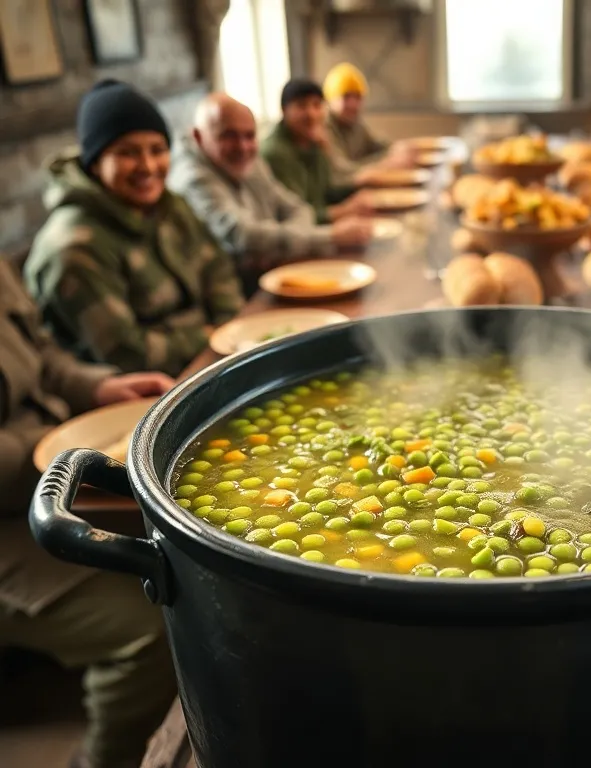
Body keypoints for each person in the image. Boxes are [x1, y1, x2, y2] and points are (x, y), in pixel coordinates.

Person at [0, 259, 178, 768]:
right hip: (12, 515)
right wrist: (55, 447)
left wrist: (97, 389)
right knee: (154, 624)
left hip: (50, 476)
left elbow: (43, 354)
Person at [23, 80, 244, 378]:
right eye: (127, 153)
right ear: (95, 164)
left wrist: (231, 327)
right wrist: (209, 335)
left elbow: (218, 269)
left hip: (209, 361)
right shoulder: (73, 247)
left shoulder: (171, 206)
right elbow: (128, 353)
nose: (148, 166)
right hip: (136, 395)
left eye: (157, 149)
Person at [167, 93, 373, 294]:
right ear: (198, 137)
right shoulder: (193, 177)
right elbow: (245, 236)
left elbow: (298, 207)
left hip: (269, 278)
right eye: (228, 135)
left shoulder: (248, 157)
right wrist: (330, 237)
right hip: (236, 297)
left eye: (249, 135)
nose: (242, 146)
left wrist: (277, 246)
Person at [261, 78, 376, 225]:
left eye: (316, 105)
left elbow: (327, 191)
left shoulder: (313, 140)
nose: (311, 114)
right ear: (284, 110)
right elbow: (293, 214)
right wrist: (343, 210)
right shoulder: (276, 153)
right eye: (301, 106)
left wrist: (357, 192)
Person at [321, 62, 416, 183]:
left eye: (358, 97)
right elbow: (344, 171)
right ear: (329, 99)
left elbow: (377, 145)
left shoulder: (354, 123)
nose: (353, 104)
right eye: (346, 97)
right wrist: (386, 163)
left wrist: (397, 148)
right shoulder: (323, 128)